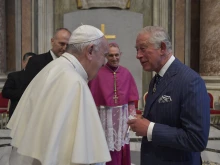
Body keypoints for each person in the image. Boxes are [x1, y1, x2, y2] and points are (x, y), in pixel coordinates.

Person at [7, 25, 111, 165]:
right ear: (90, 50)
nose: (105, 62)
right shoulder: (73, 82)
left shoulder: (55, 68)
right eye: (104, 55)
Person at [127, 26, 210, 165]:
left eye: (143, 48)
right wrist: (144, 120)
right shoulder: (156, 79)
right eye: (137, 50)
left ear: (162, 48)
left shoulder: (190, 81)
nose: (138, 55)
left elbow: (196, 139)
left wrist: (149, 129)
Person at [89, 42, 139, 165]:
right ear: (106, 56)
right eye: (111, 55)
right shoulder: (98, 74)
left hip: (121, 118)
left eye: (116, 55)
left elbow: (131, 100)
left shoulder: (126, 73)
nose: (114, 58)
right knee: (106, 145)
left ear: (120, 55)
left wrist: (131, 118)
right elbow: (92, 101)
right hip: (104, 117)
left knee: (120, 146)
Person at [2, 52, 36, 119]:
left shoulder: (41, 77)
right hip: (17, 114)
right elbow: (5, 92)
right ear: (23, 62)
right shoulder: (14, 76)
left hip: (34, 114)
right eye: (29, 61)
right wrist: (25, 93)